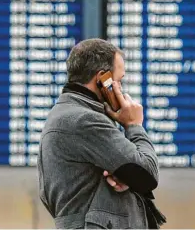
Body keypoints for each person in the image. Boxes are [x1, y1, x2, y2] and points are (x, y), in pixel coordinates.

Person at [37, 38, 166, 229]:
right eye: (119, 81)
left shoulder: (66, 115)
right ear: (102, 79)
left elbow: (134, 176)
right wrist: (134, 125)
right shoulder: (84, 120)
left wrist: (126, 177)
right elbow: (147, 174)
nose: (121, 89)